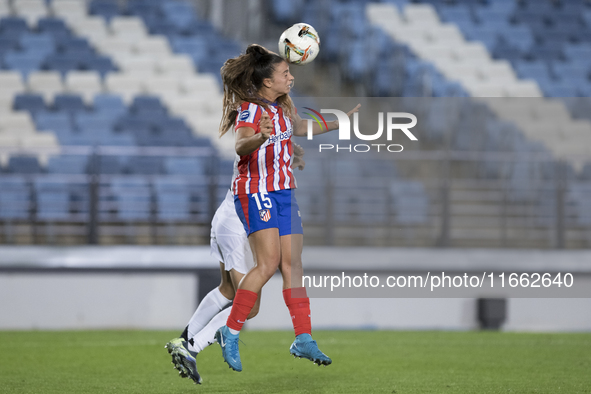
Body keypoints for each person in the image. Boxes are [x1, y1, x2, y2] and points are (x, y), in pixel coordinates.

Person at [214, 44, 359, 372]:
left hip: (284, 193)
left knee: (293, 264)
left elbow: (304, 128)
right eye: (285, 74)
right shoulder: (251, 110)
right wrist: (260, 139)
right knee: (268, 265)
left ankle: (303, 338)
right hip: (256, 192)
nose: (291, 77)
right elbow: (240, 145)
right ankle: (231, 331)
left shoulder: (281, 110)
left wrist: (340, 122)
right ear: (268, 82)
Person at [164, 143, 307, 385]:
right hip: (237, 225)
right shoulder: (257, 133)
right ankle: (193, 347)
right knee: (249, 306)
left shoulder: (262, 140)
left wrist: (292, 154)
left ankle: (183, 340)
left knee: (228, 290)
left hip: (227, 216)